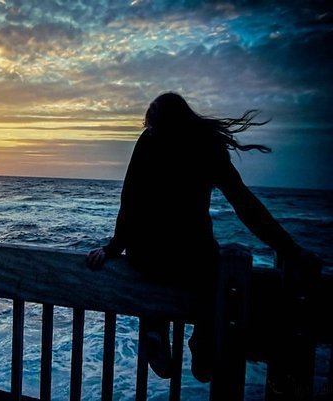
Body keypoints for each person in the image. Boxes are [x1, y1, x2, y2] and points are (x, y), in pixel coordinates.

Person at [86, 92, 304, 382]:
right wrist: (288, 249)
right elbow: (244, 203)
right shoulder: (207, 144)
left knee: (156, 271)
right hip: (193, 255)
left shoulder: (150, 141)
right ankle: (203, 341)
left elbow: (131, 201)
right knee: (215, 276)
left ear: (154, 122)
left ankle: (156, 327)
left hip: (146, 253)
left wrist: (114, 247)